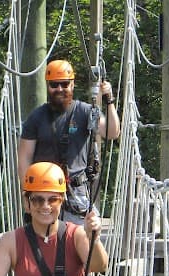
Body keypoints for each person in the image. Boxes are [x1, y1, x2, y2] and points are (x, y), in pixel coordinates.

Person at [18, 59, 121, 224]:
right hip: (44, 193)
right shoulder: (36, 117)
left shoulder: (85, 112)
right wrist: (26, 193)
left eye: (65, 84)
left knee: (81, 237)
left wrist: (109, 100)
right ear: (48, 86)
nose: (60, 89)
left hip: (75, 193)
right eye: (54, 85)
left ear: (72, 85)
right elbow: (25, 157)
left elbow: (112, 132)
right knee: (43, 239)